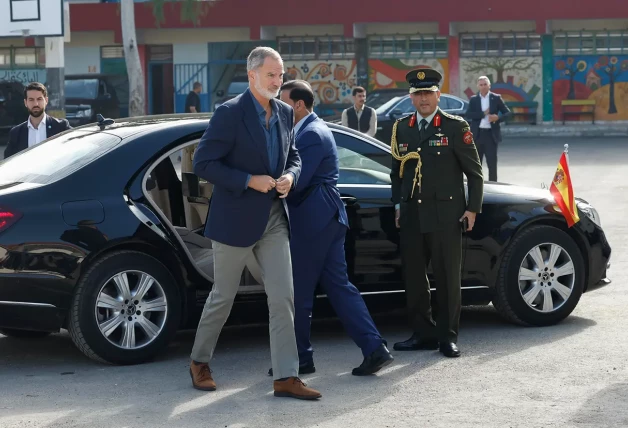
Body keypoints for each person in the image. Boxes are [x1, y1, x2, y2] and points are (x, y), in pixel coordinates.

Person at [188, 47, 321, 400]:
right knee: (223, 296)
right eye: (271, 75)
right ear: (251, 76)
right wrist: (249, 179)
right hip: (235, 221)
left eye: (280, 75)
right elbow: (204, 163)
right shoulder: (229, 114)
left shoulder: (283, 111)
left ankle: (286, 377)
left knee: (283, 297)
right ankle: (199, 361)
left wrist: (291, 176)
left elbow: (293, 156)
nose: (278, 81)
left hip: (274, 218)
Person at [274, 79, 393, 376]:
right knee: (339, 288)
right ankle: (373, 348)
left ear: (299, 105)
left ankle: (300, 357)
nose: (278, 108)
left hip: (314, 218)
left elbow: (297, 181)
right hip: (323, 217)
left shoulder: (311, 133)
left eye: (283, 102)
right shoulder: (306, 129)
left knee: (299, 290)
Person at [390, 68, 484, 358]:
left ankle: (447, 336)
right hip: (412, 216)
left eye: (428, 93)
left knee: (446, 279)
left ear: (438, 95)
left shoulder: (455, 127)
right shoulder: (401, 128)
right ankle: (423, 333)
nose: (423, 99)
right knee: (415, 279)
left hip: (446, 215)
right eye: (418, 94)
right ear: (411, 97)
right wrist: (397, 205)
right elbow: (397, 173)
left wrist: (472, 209)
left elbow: (475, 174)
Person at [4, 82, 71, 159]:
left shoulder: (60, 127)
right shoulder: (16, 133)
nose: (36, 104)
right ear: (26, 102)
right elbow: (8, 163)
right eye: (31, 100)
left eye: (39, 99)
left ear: (46, 100)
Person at [465, 76, 511, 182]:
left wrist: (497, 117)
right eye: (481, 85)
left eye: (485, 84)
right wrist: (483, 114)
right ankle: (476, 185)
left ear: (489, 86)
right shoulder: (474, 99)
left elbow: (508, 113)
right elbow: (468, 114)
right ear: (478, 86)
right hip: (477, 135)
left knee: (492, 164)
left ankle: (493, 186)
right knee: (476, 164)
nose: (483, 87)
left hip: (491, 135)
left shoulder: (496, 98)